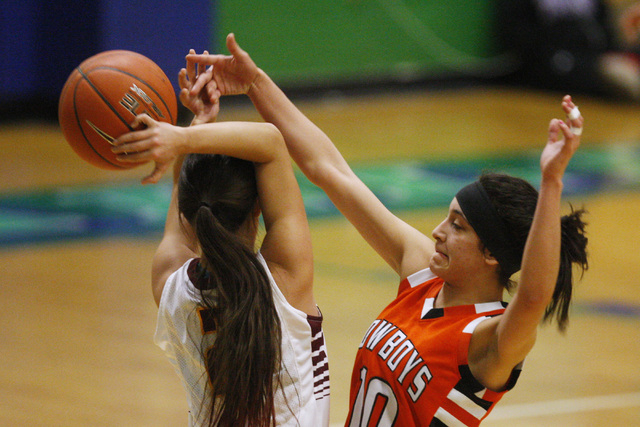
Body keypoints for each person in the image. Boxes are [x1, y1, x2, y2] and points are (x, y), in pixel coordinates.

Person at [187, 33, 589, 426]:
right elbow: (330, 170)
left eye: (457, 226)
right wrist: (255, 82)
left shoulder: (488, 341)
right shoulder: (424, 276)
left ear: (491, 255)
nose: (437, 231)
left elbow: (534, 297)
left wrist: (551, 180)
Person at [111, 54, 330, 426]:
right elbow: (272, 142)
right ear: (257, 207)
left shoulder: (170, 286)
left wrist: (193, 129)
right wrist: (184, 137)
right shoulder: (284, 279)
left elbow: (185, 217)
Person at [496, 0, 640, 101]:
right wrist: (594, 68)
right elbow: (526, 45)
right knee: (621, 76)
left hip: (599, 59)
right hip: (554, 69)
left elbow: (605, 33)